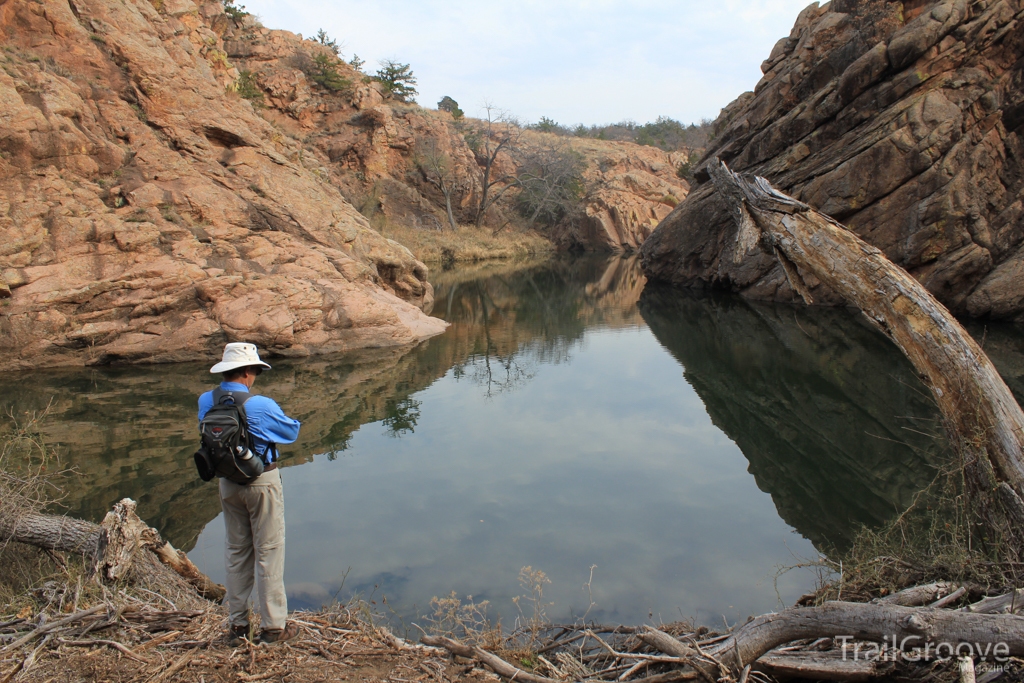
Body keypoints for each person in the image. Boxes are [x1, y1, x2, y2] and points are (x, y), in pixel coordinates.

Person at [199, 342, 301, 645]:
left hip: (227, 483)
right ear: (246, 372)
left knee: (236, 551)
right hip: (261, 483)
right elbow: (291, 432)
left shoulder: (206, 400)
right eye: (254, 370)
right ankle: (273, 629)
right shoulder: (261, 404)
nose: (254, 376)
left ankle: (238, 626)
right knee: (268, 552)